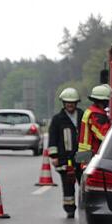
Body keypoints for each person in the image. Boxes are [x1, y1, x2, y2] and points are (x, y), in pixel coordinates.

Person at [47, 87, 82, 217]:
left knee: (85, 185)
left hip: (82, 157)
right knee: (68, 185)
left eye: (72, 102)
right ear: (63, 103)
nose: (70, 105)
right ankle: (70, 209)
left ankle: (85, 209)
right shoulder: (57, 119)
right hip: (64, 158)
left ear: (76, 103)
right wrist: (54, 156)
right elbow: (52, 138)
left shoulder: (83, 115)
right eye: (67, 102)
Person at [77, 84, 112, 168]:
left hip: (85, 155)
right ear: (103, 101)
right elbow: (104, 135)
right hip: (92, 156)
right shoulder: (96, 115)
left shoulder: (90, 111)